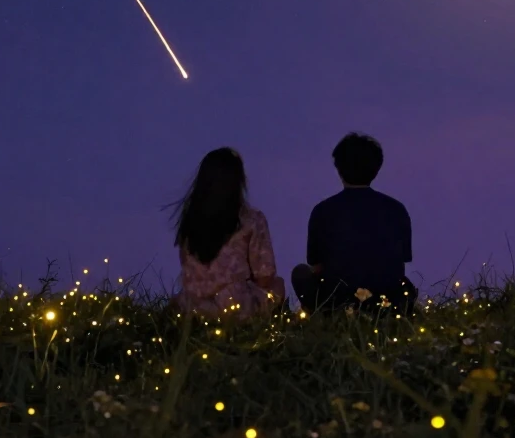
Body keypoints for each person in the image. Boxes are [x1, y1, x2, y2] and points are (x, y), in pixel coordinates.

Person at [291, 133, 417, 314]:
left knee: (300, 273)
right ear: (376, 168)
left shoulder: (323, 211)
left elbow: (316, 267)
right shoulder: (396, 209)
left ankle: (323, 314)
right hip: (386, 301)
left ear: (339, 168)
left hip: (336, 301)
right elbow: (399, 265)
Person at [170, 147, 286, 319]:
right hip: (234, 305)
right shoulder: (251, 219)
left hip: (192, 306)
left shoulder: (190, 221)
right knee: (277, 285)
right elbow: (265, 274)